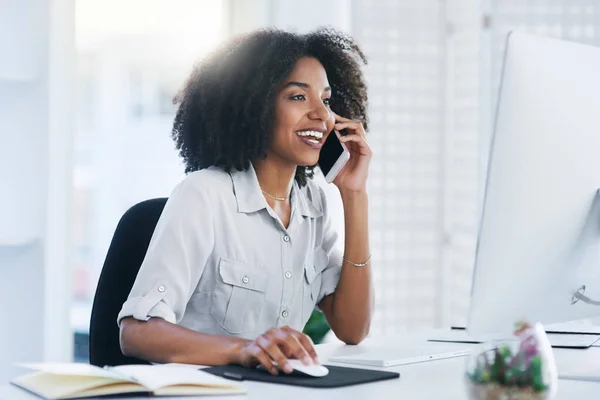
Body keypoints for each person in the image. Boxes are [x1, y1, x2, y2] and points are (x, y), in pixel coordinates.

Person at [118, 27, 373, 376]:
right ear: (255, 105)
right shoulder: (203, 195)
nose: (322, 115)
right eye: (298, 97)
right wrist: (244, 349)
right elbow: (136, 332)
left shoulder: (315, 205)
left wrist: (354, 194)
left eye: (326, 100)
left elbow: (352, 328)